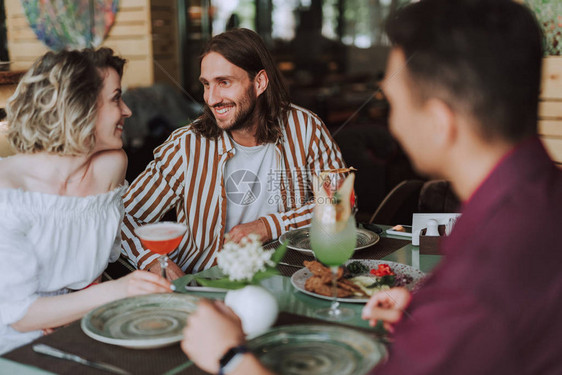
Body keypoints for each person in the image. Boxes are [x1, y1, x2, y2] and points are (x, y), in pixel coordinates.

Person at [180, 1, 562, 374]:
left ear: (439, 121)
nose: (392, 125)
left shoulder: (482, 276)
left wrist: (231, 358)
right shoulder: (535, 202)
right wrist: (425, 307)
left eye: (394, 105)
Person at [121, 28, 345, 278]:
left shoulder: (305, 128)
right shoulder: (186, 146)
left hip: (289, 276)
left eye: (224, 83)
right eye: (206, 85)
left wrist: (269, 226)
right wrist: (152, 260)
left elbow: (340, 202)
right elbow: (125, 215)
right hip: (207, 284)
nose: (212, 98)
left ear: (259, 82)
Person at [0, 48, 172, 354]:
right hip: (16, 343)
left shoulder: (111, 166)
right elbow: (17, 316)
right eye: (116, 98)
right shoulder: (9, 193)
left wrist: (76, 307)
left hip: (87, 324)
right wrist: (118, 290)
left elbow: (91, 262)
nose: (127, 110)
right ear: (79, 105)